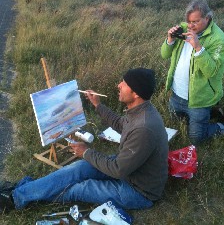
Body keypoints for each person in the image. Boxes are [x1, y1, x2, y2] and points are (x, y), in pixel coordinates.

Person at [0, 68, 169, 213]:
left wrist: (86, 152)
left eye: (124, 83)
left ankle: (17, 198)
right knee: (79, 168)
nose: (119, 85)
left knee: (80, 188)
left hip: (138, 191)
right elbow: (120, 124)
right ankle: (21, 192)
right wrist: (98, 105)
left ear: (136, 93)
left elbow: (118, 170)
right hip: (129, 171)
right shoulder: (140, 110)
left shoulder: (144, 127)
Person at [161, 0, 224, 145]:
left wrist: (198, 47)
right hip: (177, 94)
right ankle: (210, 113)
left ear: (207, 18)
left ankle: (220, 125)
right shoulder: (183, 28)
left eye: (195, 22)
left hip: (200, 99)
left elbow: (212, 71)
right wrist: (169, 39)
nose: (190, 26)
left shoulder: (219, 39)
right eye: (189, 21)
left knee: (195, 139)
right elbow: (164, 55)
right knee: (174, 125)